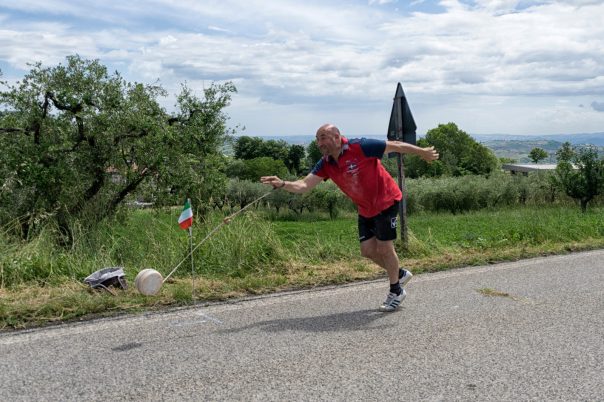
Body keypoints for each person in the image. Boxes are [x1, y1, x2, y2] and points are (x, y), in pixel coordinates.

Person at [261, 123, 439, 312]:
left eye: (323, 138)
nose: (319, 143)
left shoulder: (360, 146)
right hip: (365, 208)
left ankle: (396, 291)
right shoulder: (326, 163)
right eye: (317, 139)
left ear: (336, 137)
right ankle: (400, 273)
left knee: (384, 248)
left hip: (386, 201)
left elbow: (395, 145)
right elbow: (304, 185)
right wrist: (283, 184)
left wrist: (422, 152)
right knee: (367, 250)